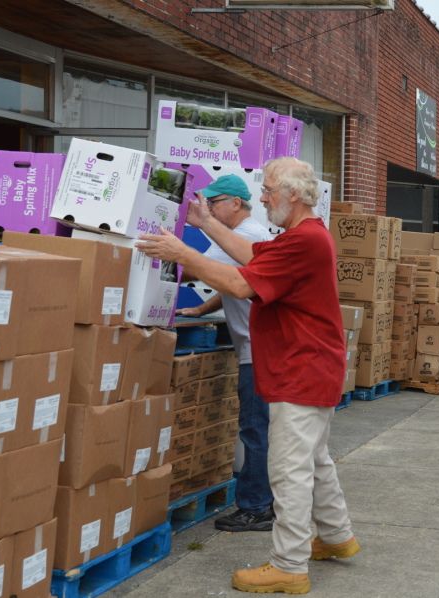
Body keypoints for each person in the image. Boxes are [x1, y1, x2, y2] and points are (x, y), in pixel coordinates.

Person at [137, 157, 358, 595]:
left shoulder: (305, 241)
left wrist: (182, 254)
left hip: (302, 369)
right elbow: (253, 255)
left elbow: (241, 284)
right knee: (315, 460)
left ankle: (289, 566)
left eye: (269, 190)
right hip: (311, 367)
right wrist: (203, 224)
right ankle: (337, 537)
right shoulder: (302, 236)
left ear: (292, 194)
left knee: (289, 468)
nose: (262, 198)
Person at [176, 174, 276, 533]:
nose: (209, 211)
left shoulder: (243, 236)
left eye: (214, 203)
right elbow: (236, 282)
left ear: (235, 203)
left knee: (254, 430)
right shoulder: (249, 236)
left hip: (257, 351)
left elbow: (191, 267)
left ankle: (256, 507)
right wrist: (203, 310)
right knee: (260, 429)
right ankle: (266, 501)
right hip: (261, 348)